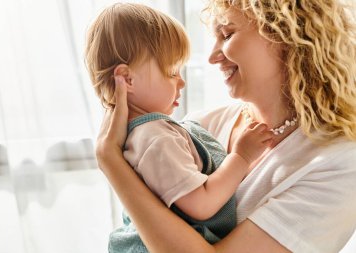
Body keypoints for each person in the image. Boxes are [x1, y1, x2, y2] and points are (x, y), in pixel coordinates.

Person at [94, 0, 356, 252]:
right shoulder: (197, 126)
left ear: (285, 34)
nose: (212, 57)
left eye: (227, 34)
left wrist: (111, 162)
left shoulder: (338, 164)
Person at [85, 3, 274, 252]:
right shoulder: (155, 137)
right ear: (128, 79)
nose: (181, 82)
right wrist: (241, 156)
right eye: (172, 71)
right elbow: (202, 205)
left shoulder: (147, 134)